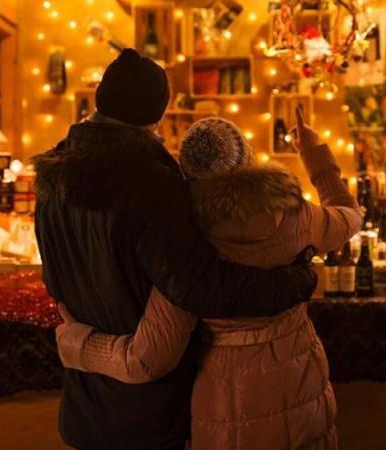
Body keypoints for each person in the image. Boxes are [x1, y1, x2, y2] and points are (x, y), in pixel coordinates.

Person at [33, 48, 317, 450]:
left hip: (86, 404)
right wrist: (294, 281)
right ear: (158, 115)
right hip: (149, 411)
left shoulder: (50, 177)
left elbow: (55, 282)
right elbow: (199, 285)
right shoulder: (152, 184)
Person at [55, 110, 361, 449]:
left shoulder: (185, 246)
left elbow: (146, 360)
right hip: (304, 395)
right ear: (246, 157)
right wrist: (315, 154)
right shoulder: (296, 215)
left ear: (186, 173)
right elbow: (349, 217)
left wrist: (79, 345)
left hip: (227, 411)